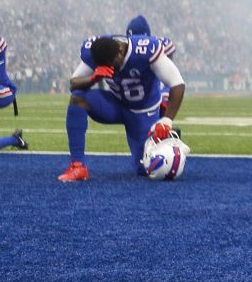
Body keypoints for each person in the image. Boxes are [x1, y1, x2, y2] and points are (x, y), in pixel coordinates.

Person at [57, 33, 185, 181]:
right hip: (115, 105)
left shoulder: (144, 50)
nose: (112, 70)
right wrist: (93, 78)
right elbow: (74, 84)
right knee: (78, 98)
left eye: (112, 65)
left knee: (146, 169)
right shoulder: (97, 51)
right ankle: (77, 166)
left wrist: (167, 119)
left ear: (120, 51)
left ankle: (165, 136)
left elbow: (177, 84)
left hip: (143, 111)